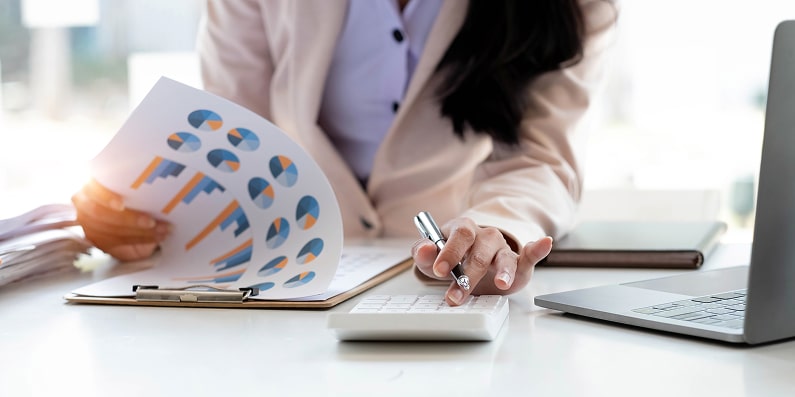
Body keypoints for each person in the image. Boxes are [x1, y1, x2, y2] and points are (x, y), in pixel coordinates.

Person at [72, 0, 618, 306]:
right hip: (288, 276)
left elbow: (541, 158)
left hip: (437, 281)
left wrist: (495, 231)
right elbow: (231, 139)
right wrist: (139, 217)